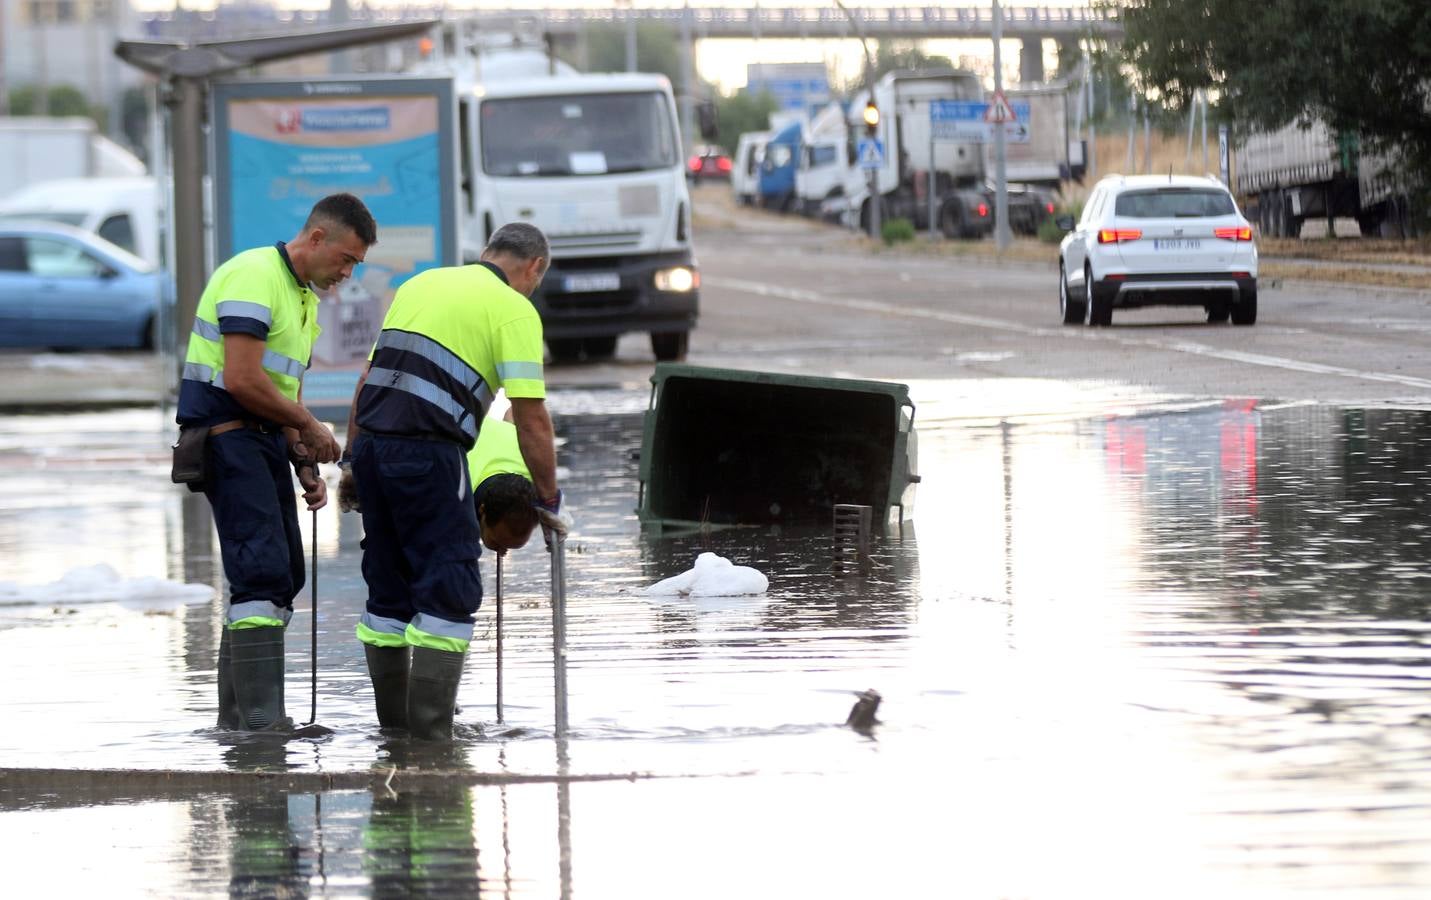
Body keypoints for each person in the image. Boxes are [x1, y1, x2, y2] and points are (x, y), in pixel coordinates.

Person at [337, 222, 563, 741]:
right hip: (429, 453)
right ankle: (433, 737)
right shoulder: (514, 309)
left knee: (388, 589)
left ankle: (394, 735)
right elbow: (530, 418)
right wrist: (548, 499)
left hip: (372, 443)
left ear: (485, 253)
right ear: (534, 269)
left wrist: (352, 460)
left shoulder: (421, 284)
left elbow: (369, 377)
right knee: (449, 585)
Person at [176, 192, 378, 731]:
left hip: (260, 439)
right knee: (260, 573)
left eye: (356, 264)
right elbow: (242, 380)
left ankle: (239, 718)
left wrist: (300, 455)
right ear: (316, 238)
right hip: (227, 437)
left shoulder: (302, 295)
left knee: (284, 571)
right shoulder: (254, 275)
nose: (348, 272)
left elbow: (280, 386)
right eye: (346, 258)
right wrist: (310, 426)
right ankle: (260, 726)